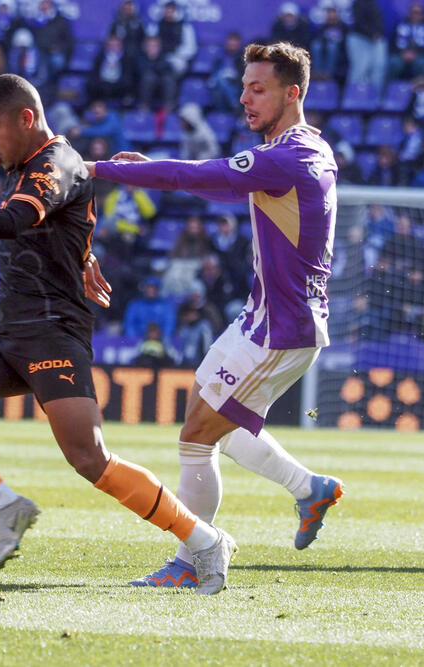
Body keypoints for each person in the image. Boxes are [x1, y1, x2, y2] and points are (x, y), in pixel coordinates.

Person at [0, 73, 235, 594]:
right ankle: (6, 504)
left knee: (89, 459)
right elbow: (67, 224)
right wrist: (83, 255)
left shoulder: (54, 162)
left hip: (51, 334)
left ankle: (203, 540)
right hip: (8, 334)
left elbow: (15, 221)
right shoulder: (29, 165)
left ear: (26, 118)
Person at [88, 42, 344, 589]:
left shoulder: (287, 156)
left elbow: (195, 177)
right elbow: (221, 183)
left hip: (282, 327)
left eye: (259, 89)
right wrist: (151, 168)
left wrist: (100, 168)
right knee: (206, 417)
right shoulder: (305, 149)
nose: (245, 99)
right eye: (244, 87)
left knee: (199, 435)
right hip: (262, 317)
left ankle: (195, 560)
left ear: (291, 92)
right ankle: (308, 489)